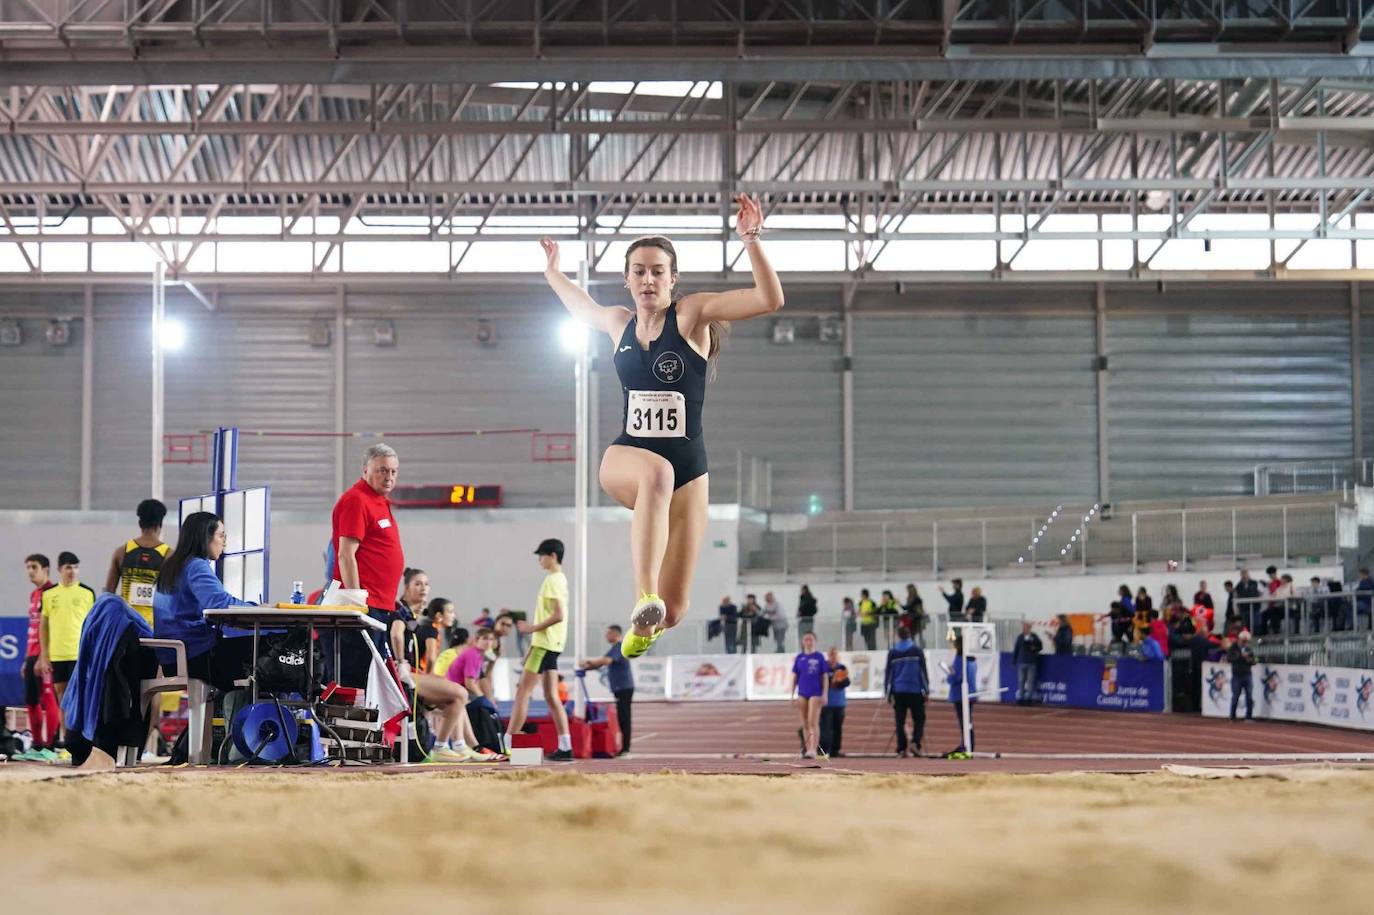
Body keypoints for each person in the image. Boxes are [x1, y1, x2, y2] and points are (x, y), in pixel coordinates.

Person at [539, 197, 783, 658]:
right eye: (639, 271)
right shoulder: (618, 323)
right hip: (627, 457)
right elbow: (580, 306)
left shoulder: (690, 316)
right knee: (655, 475)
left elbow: (769, 299)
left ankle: (647, 625)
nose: (648, 279)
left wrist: (751, 241)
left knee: (675, 610)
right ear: (627, 278)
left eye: (657, 271)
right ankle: (641, 597)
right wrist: (553, 272)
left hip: (691, 470)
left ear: (673, 279)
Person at [388, 573, 496, 763]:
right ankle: (441, 746)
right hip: (404, 675)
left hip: (414, 674)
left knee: (457, 699)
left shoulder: (413, 620)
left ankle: (463, 745)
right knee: (461, 693)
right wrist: (400, 661)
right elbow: (397, 635)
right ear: (406, 588)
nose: (423, 588)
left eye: (426, 584)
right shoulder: (402, 614)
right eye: (418, 584)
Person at [152, 515, 258, 691]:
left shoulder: (172, 565)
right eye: (221, 535)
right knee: (267, 648)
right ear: (205, 537)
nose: (224, 542)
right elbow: (220, 603)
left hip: (173, 657)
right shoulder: (196, 566)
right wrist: (258, 610)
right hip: (195, 656)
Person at [331, 443, 406, 685]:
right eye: (382, 470)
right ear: (365, 470)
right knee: (358, 680)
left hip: (379, 604)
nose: (389, 477)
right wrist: (356, 602)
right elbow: (345, 555)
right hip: (364, 607)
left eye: (393, 471)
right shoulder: (357, 500)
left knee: (373, 679)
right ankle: (350, 723)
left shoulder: (379, 501)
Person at [505, 538, 574, 760]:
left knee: (523, 691)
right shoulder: (561, 579)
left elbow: (558, 615)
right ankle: (565, 745)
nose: (539, 560)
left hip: (545, 643)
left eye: (541, 555)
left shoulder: (552, 580)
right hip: (550, 643)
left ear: (552, 556)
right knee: (551, 696)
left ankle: (508, 740)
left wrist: (530, 628)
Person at [36, 551, 97, 744]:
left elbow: (93, 625)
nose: (72, 571)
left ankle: (84, 739)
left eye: (75, 567)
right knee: (62, 697)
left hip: (80, 653)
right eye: (68, 567)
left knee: (81, 697)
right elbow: (43, 626)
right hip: (58, 654)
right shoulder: (49, 594)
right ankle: (66, 739)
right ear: (59, 570)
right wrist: (44, 655)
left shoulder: (87, 593)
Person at [18, 554, 61, 762]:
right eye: (27, 567)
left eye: (34, 567)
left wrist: (46, 657)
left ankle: (51, 746)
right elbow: (33, 629)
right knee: (31, 702)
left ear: (46, 569)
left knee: (48, 699)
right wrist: (27, 659)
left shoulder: (53, 593)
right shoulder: (34, 594)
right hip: (32, 655)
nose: (30, 571)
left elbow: (53, 628)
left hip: (46, 656)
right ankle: (36, 745)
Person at [103, 498, 169, 628]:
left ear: (140, 523)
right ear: (160, 524)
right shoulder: (169, 555)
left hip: (127, 626)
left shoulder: (121, 553)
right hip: (156, 629)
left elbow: (108, 595)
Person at [446, 628, 506, 755]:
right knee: (484, 709)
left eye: (491, 639)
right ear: (476, 640)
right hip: (453, 693)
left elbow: (481, 680)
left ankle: (480, 746)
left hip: (460, 692)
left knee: (486, 706)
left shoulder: (479, 655)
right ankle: (478, 746)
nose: (488, 642)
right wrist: (484, 699)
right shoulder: (473, 654)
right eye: (484, 639)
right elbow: (470, 683)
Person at [579, 624, 635, 756]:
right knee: (622, 717)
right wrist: (587, 667)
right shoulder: (615, 648)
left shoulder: (619, 647)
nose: (606, 636)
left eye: (608, 633)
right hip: (620, 688)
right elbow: (603, 662)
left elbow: (606, 661)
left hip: (624, 687)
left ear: (615, 634)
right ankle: (624, 748)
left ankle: (626, 749)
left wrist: (588, 662)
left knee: (624, 718)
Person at [884, 625, 929, 758]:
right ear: (910, 635)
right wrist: (926, 691)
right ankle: (915, 742)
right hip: (915, 690)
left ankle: (902, 748)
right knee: (920, 718)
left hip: (899, 691)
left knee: (899, 720)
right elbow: (923, 673)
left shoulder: (893, 652)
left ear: (898, 636)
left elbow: (888, 675)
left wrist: (888, 694)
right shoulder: (917, 651)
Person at [790, 631, 829, 759]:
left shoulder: (819, 657)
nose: (808, 641)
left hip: (815, 693)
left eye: (811, 639)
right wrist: (791, 695)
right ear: (803, 642)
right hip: (802, 693)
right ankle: (808, 749)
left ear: (815, 641)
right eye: (806, 639)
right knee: (805, 723)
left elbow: (825, 677)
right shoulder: (799, 658)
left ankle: (813, 749)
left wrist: (825, 694)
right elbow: (794, 677)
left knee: (813, 722)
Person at [946, 635, 978, 755]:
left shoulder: (960, 659)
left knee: (964, 722)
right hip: (970, 693)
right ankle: (967, 744)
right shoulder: (971, 658)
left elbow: (956, 677)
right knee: (967, 721)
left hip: (961, 694)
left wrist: (949, 675)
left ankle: (967, 745)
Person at [819, 647, 850, 757]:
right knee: (826, 728)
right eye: (831, 655)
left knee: (838, 728)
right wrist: (831, 682)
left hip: (839, 703)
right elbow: (820, 682)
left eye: (835, 655)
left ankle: (835, 750)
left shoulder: (842, 667)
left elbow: (847, 682)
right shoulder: (824, 667)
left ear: (837, 656)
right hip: (826, 703)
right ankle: (824, 750)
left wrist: (838, 682)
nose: (833, 657)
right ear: (828, 656)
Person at [416, 597, 453, 672]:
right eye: (450, 612)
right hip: (417, 672)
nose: (453, 616)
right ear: (439, 615)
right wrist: (429, 677)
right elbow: (431, 659)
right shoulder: (431, 630)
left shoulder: (428, 627)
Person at [1226, 631, 1256, 721]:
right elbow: (1230, 659)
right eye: (1244, 641)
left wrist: (1249, 660)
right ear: (1239, 640)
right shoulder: (1233, 648)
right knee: (1235, 696)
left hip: (1247, 675)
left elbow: (1255, 660)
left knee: (1249, 696)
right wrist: (1240, 656)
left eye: (1246, 641)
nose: (1245, 643)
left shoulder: (1249, 648)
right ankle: (1232, 716)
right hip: (1237, 675)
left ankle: (1249, 716)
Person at [1011, 621, 1043, 706]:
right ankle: (1021, 698)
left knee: (1030, 681)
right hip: (1022, 661)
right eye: (1024, 627)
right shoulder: (1020, 637)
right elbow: (1016, 649)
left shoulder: (1034, 637)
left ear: (1030, 628)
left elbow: (1040, 647)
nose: (1025, 629)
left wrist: (1034, 648)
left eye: (1027, 627)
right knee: (1021, 681)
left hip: (1031, 662)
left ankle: (1029, 699)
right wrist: (1014, 660)